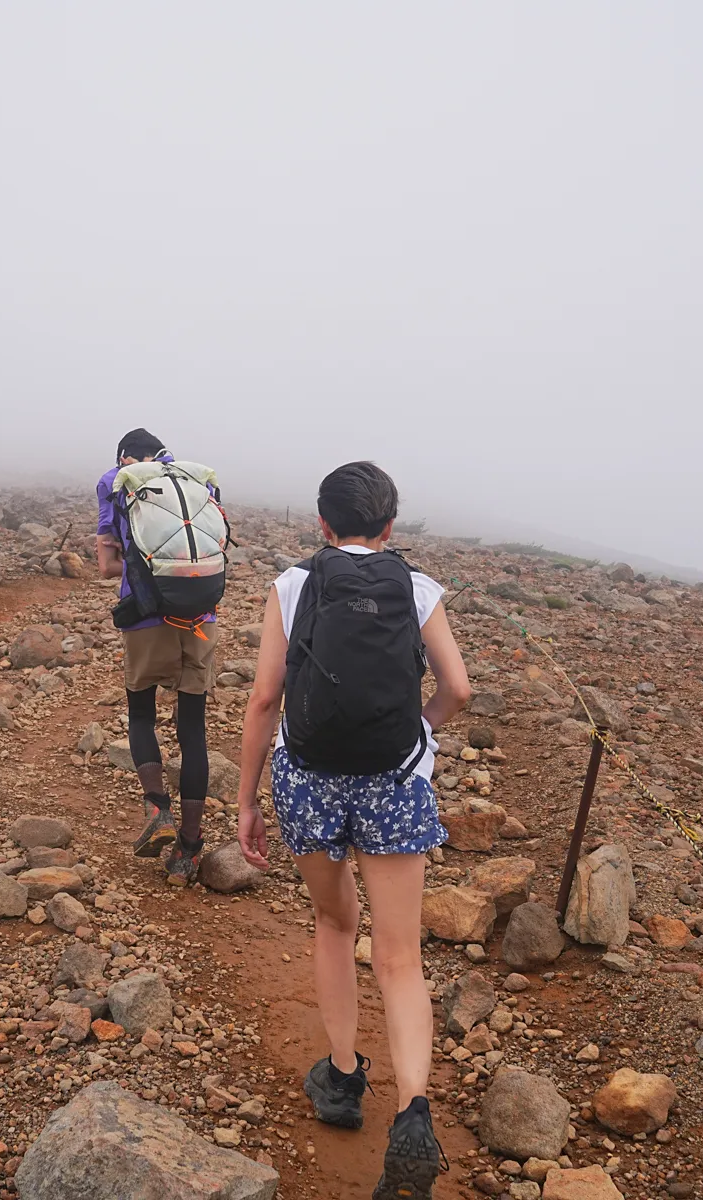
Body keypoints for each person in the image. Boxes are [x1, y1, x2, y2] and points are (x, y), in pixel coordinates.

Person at [236, 461, 471, 1200]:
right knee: (400, 958)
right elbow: (458, 689)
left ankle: (340, 1079)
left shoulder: (293, 584)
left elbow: (267, 697)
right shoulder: (417, 586)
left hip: (307, 776)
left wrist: (246, 799)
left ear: (323, 525)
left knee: (336, 926)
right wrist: (421, 737)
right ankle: (412, 1118)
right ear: (391, 526)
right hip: (396, 783)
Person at [96, 428, 217, 886]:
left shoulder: (116, 479)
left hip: (147, 618)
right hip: (202, 617)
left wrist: (129, 556)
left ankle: (157, 810)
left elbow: (108, 566)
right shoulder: (194, 482)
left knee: (142, 714)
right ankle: (188, 849)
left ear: (126, 457)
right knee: (193, 729)